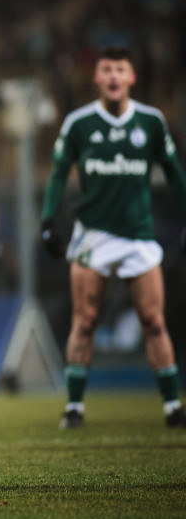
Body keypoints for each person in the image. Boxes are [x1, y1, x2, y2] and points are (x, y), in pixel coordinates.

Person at [40, 46, 186, 429]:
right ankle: (74, 408)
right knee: (85, 320)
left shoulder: (152, 122)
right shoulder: (79, 123)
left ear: (132, 77)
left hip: (139, 236)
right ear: (98, 77)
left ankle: (173, 407)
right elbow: (58, 174)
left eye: (121, 69)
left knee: (154, 321)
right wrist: (47, 219)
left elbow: (173, 172)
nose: (114, 76)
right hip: (94, 236)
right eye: (107, 69)